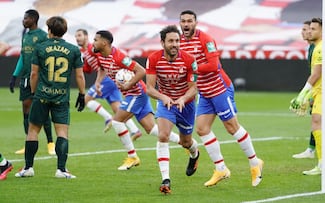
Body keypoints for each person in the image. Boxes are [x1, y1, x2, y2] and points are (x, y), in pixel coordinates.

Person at [179, 10, 264, 187]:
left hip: (219, 88)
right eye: (183, 21)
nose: (186, 24)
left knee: (231, 127)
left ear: (195, 22)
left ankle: (255, 163)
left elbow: (214, 65)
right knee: (202, 129)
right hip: (204, 92)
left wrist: (190, 68)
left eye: (189, 21)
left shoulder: (206, 39)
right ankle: (221, 169)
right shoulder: (179, 42)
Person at [92, 30, 182, 170]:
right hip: (133, 94)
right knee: (151, 129)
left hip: (136, 93)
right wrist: (98, 82)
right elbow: (102, 68)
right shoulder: (100, 55)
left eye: (95, 40)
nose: (93, 42)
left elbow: (141, 71)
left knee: (116, 121)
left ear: (104, 43)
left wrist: (128, 84)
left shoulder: (119, 56)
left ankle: (132, 157)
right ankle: (186, 143)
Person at [15, 16, 86, 178]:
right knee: (62, 132)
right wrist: (82, 94)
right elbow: (80, 76)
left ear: (49, 30)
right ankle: (61, 169)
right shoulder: (73, 50)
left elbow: (34, 74)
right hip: (61, 97)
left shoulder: (40, 48)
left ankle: (28, 168)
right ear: (64, 31)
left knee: (33, 130)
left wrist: (33, 93)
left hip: (41, 96)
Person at [146, 25, 200, 194]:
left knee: (186, 142)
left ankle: (194, 154)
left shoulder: (190, 59)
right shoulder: (153, 59)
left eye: (177, 41)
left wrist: (183, 98)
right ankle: (165, 180)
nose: (175, 44)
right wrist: (163, 98)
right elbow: (149, 88)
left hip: (187, 105)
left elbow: (194, 87)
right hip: (166, 103)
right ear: (163, 43)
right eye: (171, 41)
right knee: (163, 135)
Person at [289, 18, 325, 175]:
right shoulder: (318, 47)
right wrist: (309, 95)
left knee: (317, 123)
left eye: (313, 29)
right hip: (321, 92)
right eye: (309, 28)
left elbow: (316, 74)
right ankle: (324, 159)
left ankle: (323, 163)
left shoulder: (321, 48)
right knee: (321, 124)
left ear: (322, 31)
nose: (309, 31)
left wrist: (302, 94)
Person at [75, 29, 142, 140]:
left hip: (107, 79)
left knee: (86, 99)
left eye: (79, 35)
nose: (77, 38)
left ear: (86, 37)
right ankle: (135, 130)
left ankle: (107, 118)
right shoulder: (86, 52)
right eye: (76, 36)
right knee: (117, 108)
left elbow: (104, 60)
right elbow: (87, 69)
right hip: (112, 80)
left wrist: (99, 81)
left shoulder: (94, 49)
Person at [9, 9, 55, 155]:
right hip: (25, 78)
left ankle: (50, 142)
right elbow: (23, 57)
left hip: (39, 78)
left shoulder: (42, 36)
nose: (24, 21)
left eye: (26, 18)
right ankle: (28, 142)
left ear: (33, 19)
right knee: (26, 110)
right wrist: (14, 76)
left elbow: (48, 57)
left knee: (42, 108)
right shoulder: (25, 35)